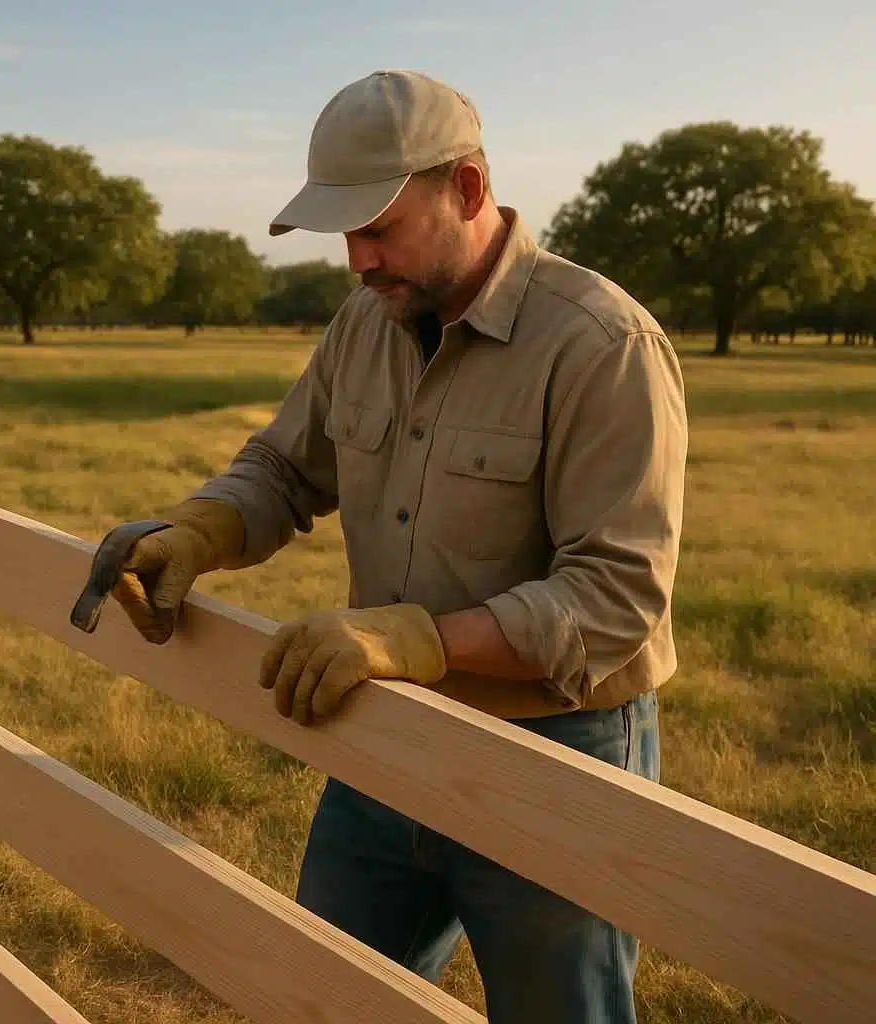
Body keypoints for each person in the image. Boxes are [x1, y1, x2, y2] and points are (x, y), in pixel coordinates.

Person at [89, 69, 689, 1023]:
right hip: (382, 727)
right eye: (345, 237)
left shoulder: (600, 345)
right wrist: (199, 530)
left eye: (379, 229)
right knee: (323, 994)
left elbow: (617, 599)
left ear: (468, 191)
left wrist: (425, 642)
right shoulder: (365, 322)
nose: (358, 262)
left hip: (554, 753)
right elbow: (285, 471)